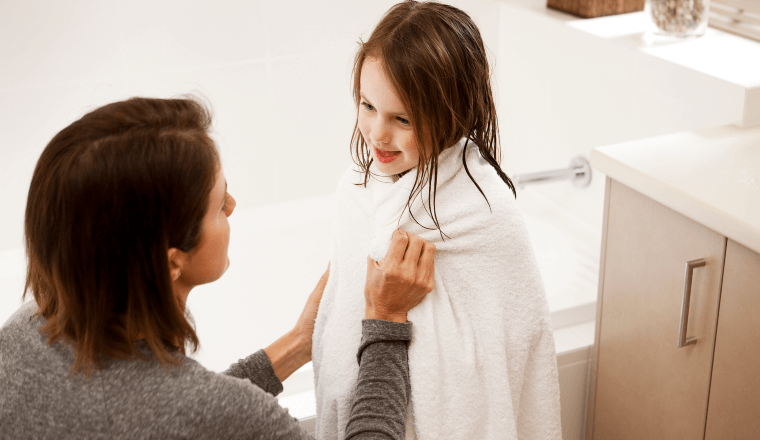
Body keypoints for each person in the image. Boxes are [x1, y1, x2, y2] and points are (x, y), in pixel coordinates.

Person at [0, 97, 437, 440]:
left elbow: (163, 412)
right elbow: (193, 413)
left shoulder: (21, 333)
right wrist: (385, 319)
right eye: (217, 205)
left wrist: (300, 343)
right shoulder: (215, 414)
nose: (232, 206)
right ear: (171, 262)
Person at [312, 1, 562, 439]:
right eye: (367, 105)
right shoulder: (356, 187)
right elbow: (343, 314)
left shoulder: (485, 213)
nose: (377, 134)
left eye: (402, 119)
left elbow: (514, 346)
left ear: (453, 114)